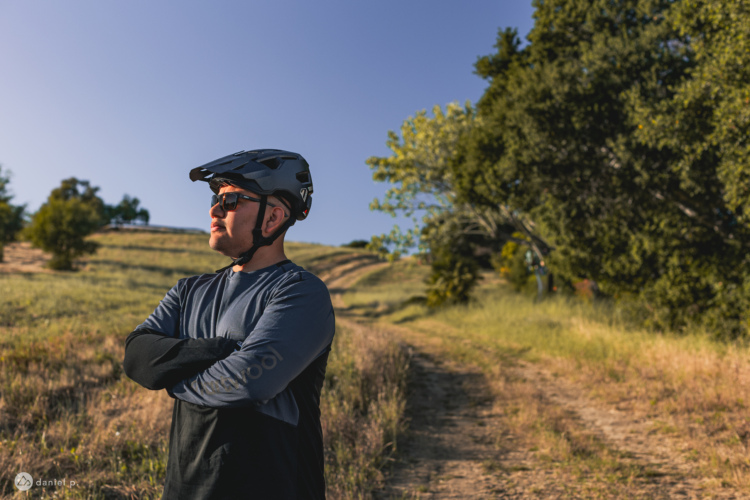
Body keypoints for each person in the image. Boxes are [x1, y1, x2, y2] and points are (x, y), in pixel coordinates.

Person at [123, 149, 335, 499]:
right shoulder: (188, 290)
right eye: (215, 198)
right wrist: (219, 349)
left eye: (231, 199)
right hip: (185, 487)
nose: (214, 210)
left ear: (273, 218)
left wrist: (170, 377)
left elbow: (251, 381)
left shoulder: (301, 291)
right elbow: (136, 357)